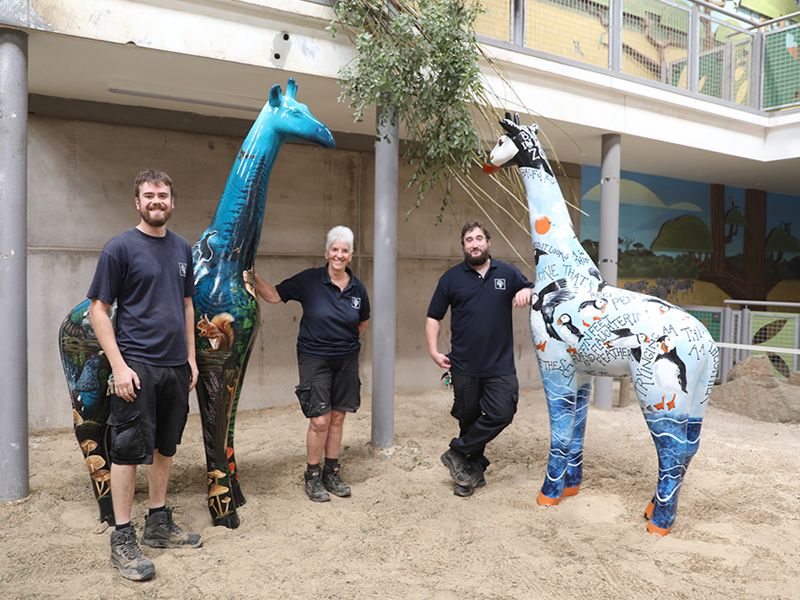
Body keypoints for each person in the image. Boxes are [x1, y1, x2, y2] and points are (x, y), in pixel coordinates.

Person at [88, 169, 202, 582]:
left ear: (173, 202)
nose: (157, 201)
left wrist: (190, 358)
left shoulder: (182, 248)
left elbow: (187, 305)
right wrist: (119, 366)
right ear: (138, 202)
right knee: (127, 450)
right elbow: (97, 310)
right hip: (136, 367)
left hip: (174, 367)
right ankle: (122, 537)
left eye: (163, 195)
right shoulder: (119, 248)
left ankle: (157, 522)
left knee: (165, 447)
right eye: (149, 195)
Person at [249, 225, 370, 502]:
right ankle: (312, 476)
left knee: (338, 417)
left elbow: (363, 320)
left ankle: (332, 471)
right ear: (327, 252)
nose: (339, 255)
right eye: (335, 249)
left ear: (350, 255)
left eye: (345, 251)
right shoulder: (310, 281)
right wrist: (252, 275)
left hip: (347, 359)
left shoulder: (357, 288)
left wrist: (343, 342)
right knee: (319, 420)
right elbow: (274, 296)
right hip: (314, 358)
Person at [426, 221, 532, 497]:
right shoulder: (451, 279)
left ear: (488, 242)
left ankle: (456, 452)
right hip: (463, 365)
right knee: (469, 418)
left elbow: (532, 288)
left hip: (500, 365)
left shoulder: (507, 273)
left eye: (478, 239)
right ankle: (470, 473)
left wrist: (525, 291)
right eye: (468, 240)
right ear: (463, 246)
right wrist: (433, 350)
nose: (474, 244)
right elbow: (433, 316)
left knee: (502, 413)